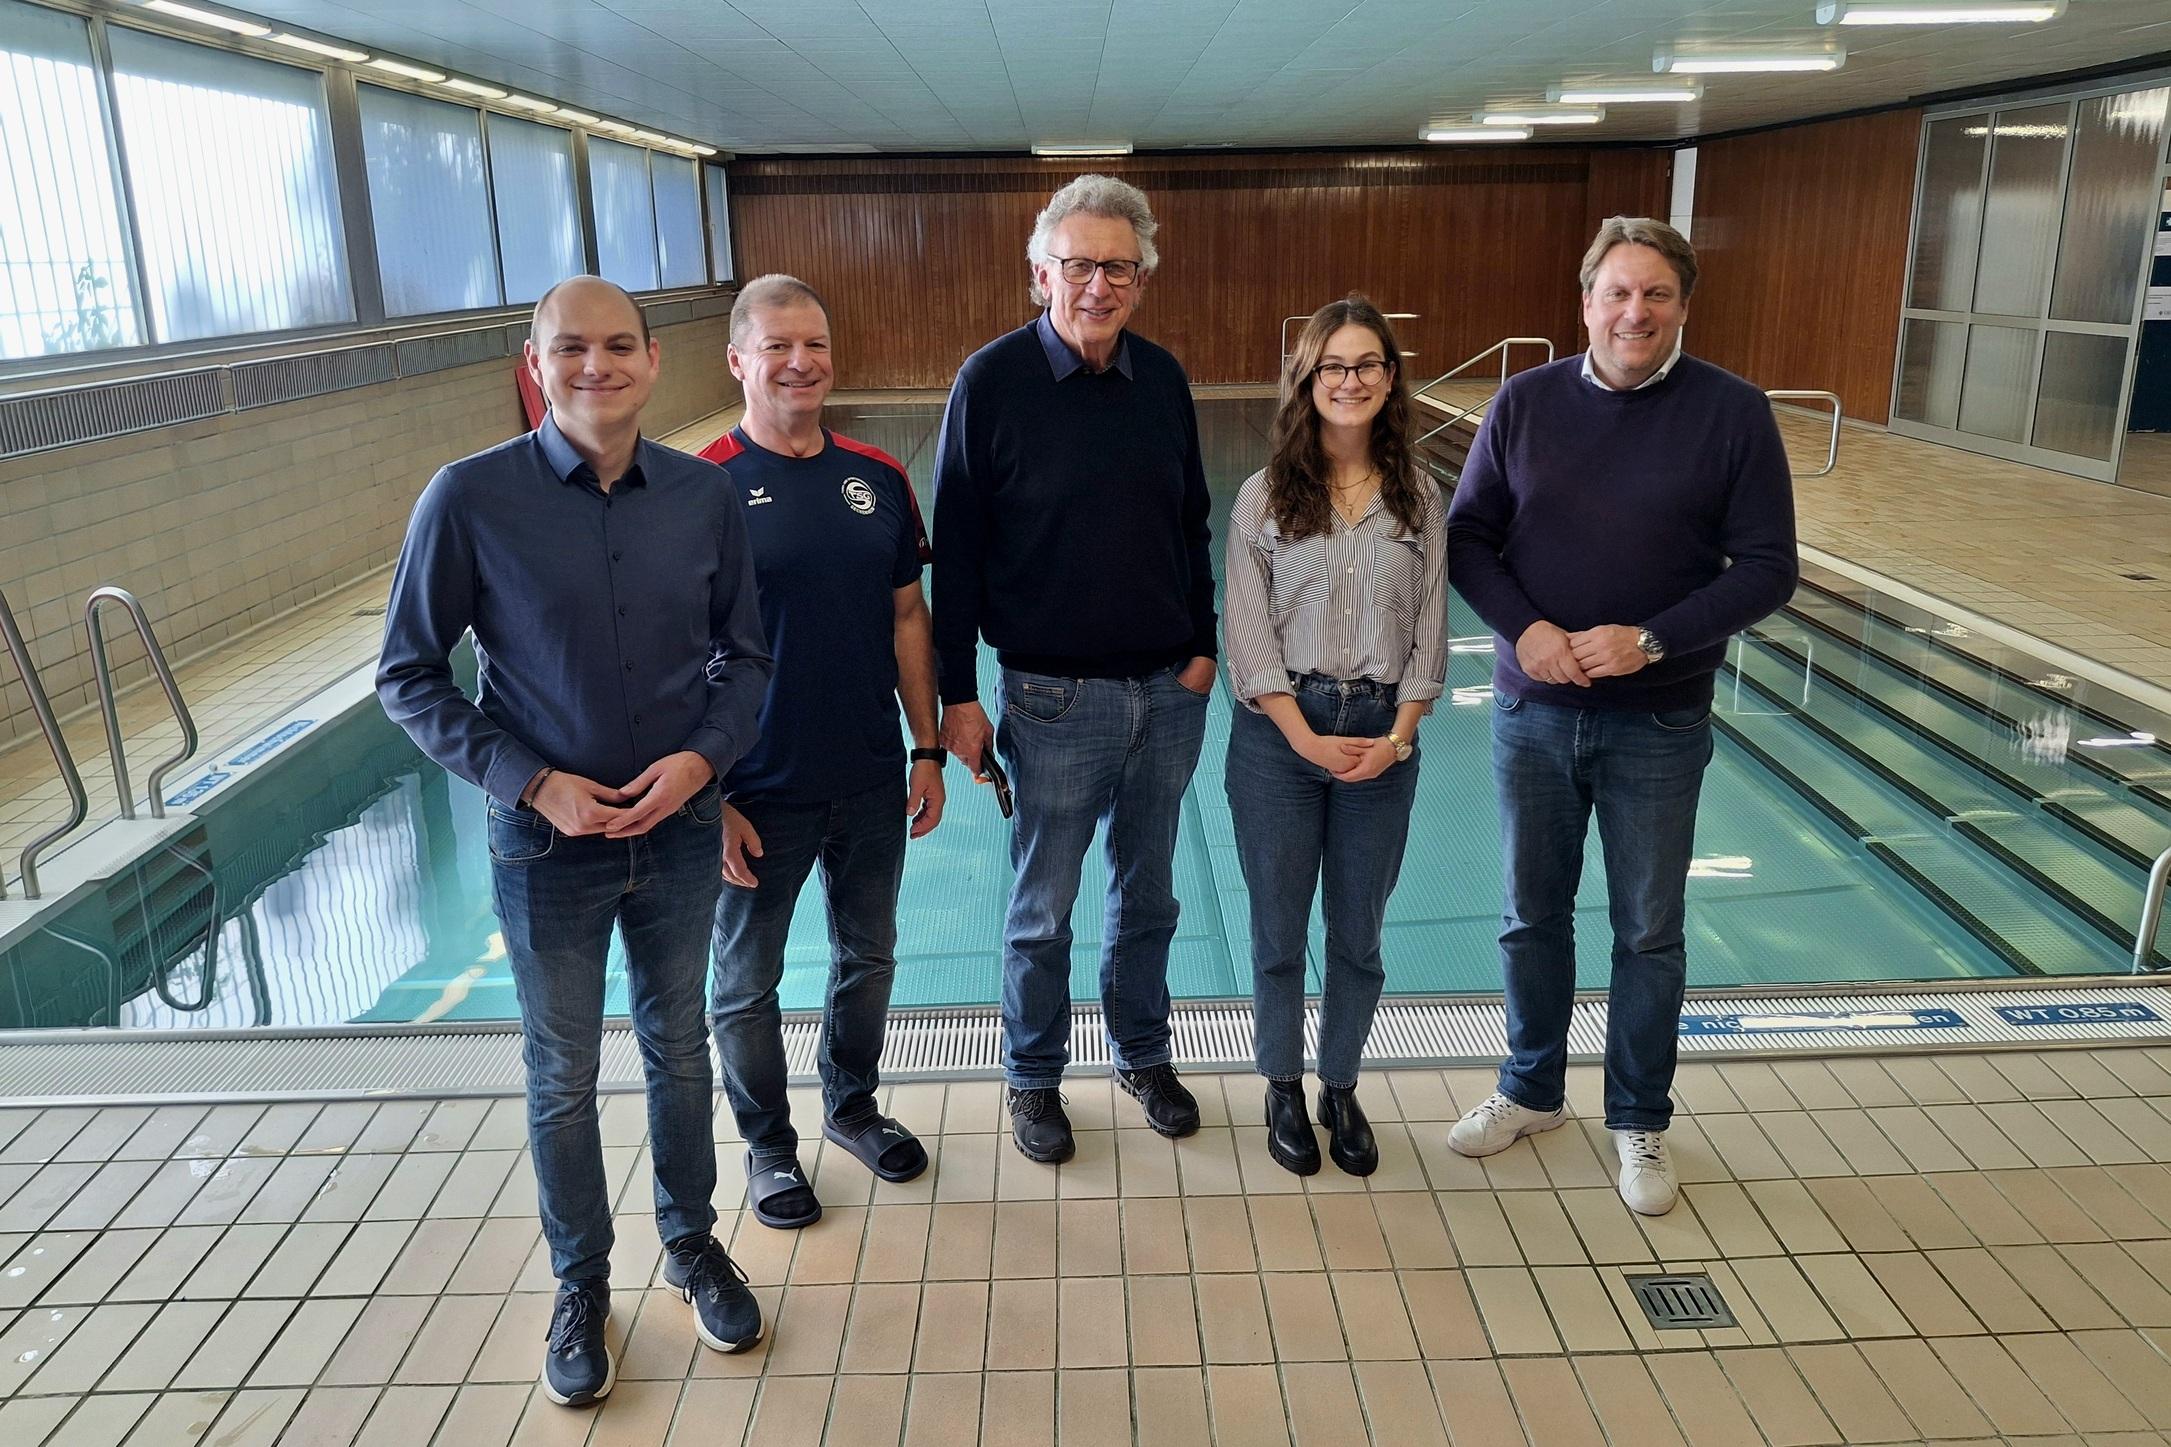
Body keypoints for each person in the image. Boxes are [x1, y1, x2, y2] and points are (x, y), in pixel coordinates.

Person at [376, 276, 772, 1405]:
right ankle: (581, 1283)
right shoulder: (469, 498)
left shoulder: (702, 496)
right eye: (569, 349)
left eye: (617, 346)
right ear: (534, 365)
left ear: (653, 360)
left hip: (680, 826)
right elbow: (407, 674)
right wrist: (533, 782)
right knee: (562, 1070)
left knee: (679, 1045)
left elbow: (744, 658)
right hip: (546, 846)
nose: (595, 367)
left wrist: (701, 763)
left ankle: (691, 1243)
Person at [1443, 218, 1798, 1215]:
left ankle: (1638, 1117)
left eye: (1654, 294)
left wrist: (1652, 638)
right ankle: (1530, 1089)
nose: (1633, 312)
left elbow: (1769, 566)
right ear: (1585, 302)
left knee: (1646, 931)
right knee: (1530, 915)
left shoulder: (1731, 413)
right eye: (1616, 292)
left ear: (1681, 306)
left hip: (1659, 719)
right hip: (1532, 712)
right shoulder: (1524, 402)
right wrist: (1525, 630)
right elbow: (1467, 537)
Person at [931, 174, 1218, 1163]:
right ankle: (1033, 1074)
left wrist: (1202, 649)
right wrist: (956, 694)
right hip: (1052, 695)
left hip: (1166, 692)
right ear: (1040, 271)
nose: (1099, 285)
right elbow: (956, 550)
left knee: (1149, 896)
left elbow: (1192, 523)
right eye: (1080, 265)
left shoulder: (1161, 380)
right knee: (1041, 907)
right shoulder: (991, 381)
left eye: (1120, 268)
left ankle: (1142, 1053)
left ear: (1141, 277)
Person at [697, 274, 943, 1229]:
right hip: (755, 786)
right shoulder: (703, 485)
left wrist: (925, 747)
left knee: (867, 954)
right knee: (744, 980)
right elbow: (673, 652)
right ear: (737, 360)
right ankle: (768, 1145)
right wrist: (709, 793)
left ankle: (852, 1106)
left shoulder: (877, 476)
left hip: (869, 774)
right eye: (777, 346)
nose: (800, 363)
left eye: (815, 345)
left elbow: (907, 616)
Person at [1223, 296, 1446, 1177]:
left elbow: (1431, 632)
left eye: (1366, 365)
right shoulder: (1263, 495)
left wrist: (1396, 739)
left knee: (1358, 935)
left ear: (1390, 379)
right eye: (1332, 366)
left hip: (1381, 737)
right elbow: (1247, 636)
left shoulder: (1418, 496)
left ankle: (1339, 1085)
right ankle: (1281, 1084)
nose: (1349, 381)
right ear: (1307, 379)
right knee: (1279, 931)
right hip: (1279, 740)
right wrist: (1304, 738)